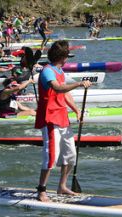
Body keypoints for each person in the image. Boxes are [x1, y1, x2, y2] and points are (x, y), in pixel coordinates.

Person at [34, 40, 92, 202]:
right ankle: (42, 190)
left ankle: (62, 186)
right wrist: (79, 83)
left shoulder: (59, 71)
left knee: (70, 155)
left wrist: (77, 110)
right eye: (67, 56)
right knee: (51, 155)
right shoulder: (47, 71)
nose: (68, 59)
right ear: (62, 57)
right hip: (50, 118)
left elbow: (65, 94)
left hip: (62, 117)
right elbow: (57, 88)